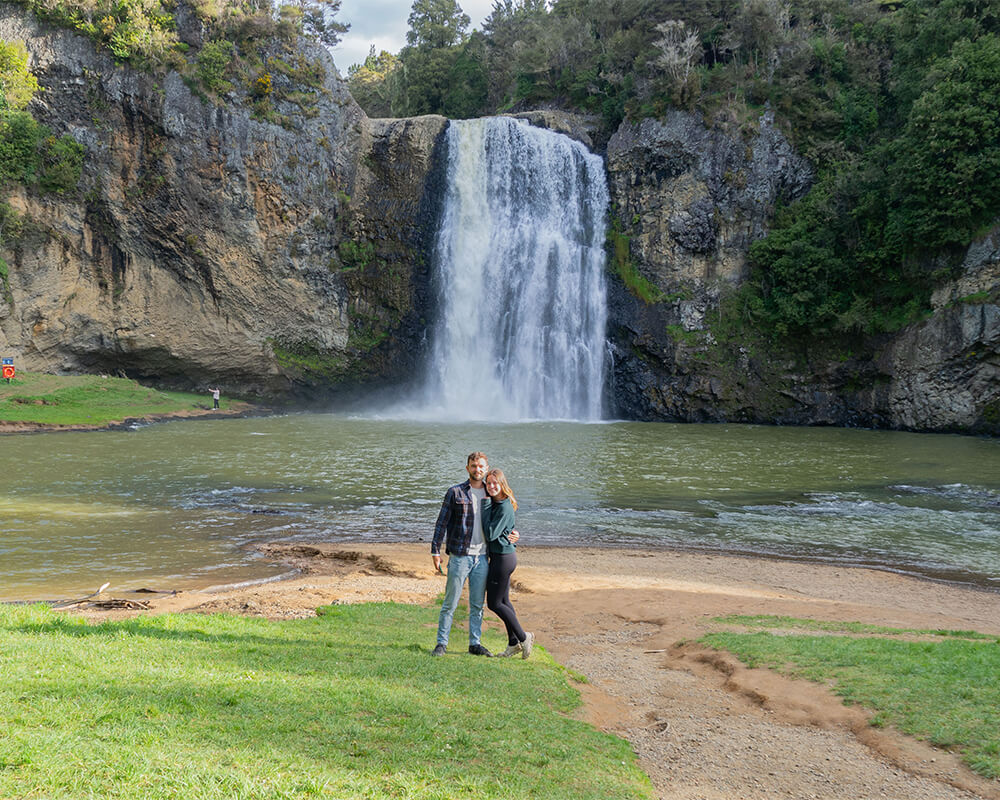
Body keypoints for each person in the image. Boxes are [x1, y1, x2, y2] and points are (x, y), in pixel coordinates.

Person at [431, 451, 518, 657]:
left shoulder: (493, 494)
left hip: (483, 558)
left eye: (480, 466)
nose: (477, 469)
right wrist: (435, 550)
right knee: (450, 602)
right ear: (467, 468)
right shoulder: (455, 492)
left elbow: (505, 518)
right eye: (473, 466)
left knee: (477, 604)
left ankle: (475, 643)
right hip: (460, 556)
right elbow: (441, 523)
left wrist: (514, 533)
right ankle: (441, 643)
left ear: (486, 469)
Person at [482, 468, 534, 658]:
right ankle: (513, 643)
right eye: (488, 483)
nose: (491, 486)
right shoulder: (499, 503)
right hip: (502, 556)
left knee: (494, 604)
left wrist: (485, 506)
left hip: (503, 559)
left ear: (502, 484)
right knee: (504, 601)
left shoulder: (501, 506)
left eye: (495, 483)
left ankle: (523, 636)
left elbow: (490, 534)